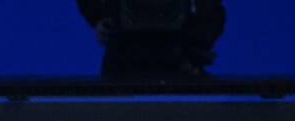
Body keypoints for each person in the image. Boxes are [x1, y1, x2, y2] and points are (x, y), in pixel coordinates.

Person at [77, 0, 226, 80]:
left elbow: (213, 13)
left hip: (182, 63)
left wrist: (197, 43)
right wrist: (99, 18)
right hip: (124, 61)